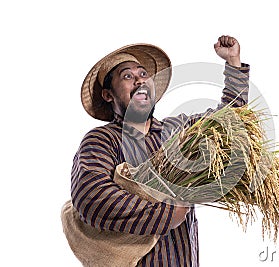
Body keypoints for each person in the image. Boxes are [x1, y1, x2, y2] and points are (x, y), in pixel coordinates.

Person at [70, 35, 250, 266]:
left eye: (143, 74)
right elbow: (92, 196)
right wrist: (166, 214)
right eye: (127, 76)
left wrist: (233, 62)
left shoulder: (178, 131)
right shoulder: (102, 140)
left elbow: (228, 122)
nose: (139, 80)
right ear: (108, 95)